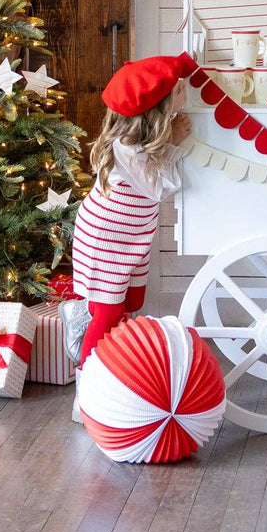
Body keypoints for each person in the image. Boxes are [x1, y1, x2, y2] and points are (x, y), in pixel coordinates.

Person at [61, 56, 190, 376]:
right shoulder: (128, 148)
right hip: (106, 236)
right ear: (157, 109)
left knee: (132, 301)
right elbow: (160, 188)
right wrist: (173, 143)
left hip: (132, 235)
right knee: (108, 311)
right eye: (177, 90)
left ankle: (105, 349)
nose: (184, 90)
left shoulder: (141, 144)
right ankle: (89, 385)